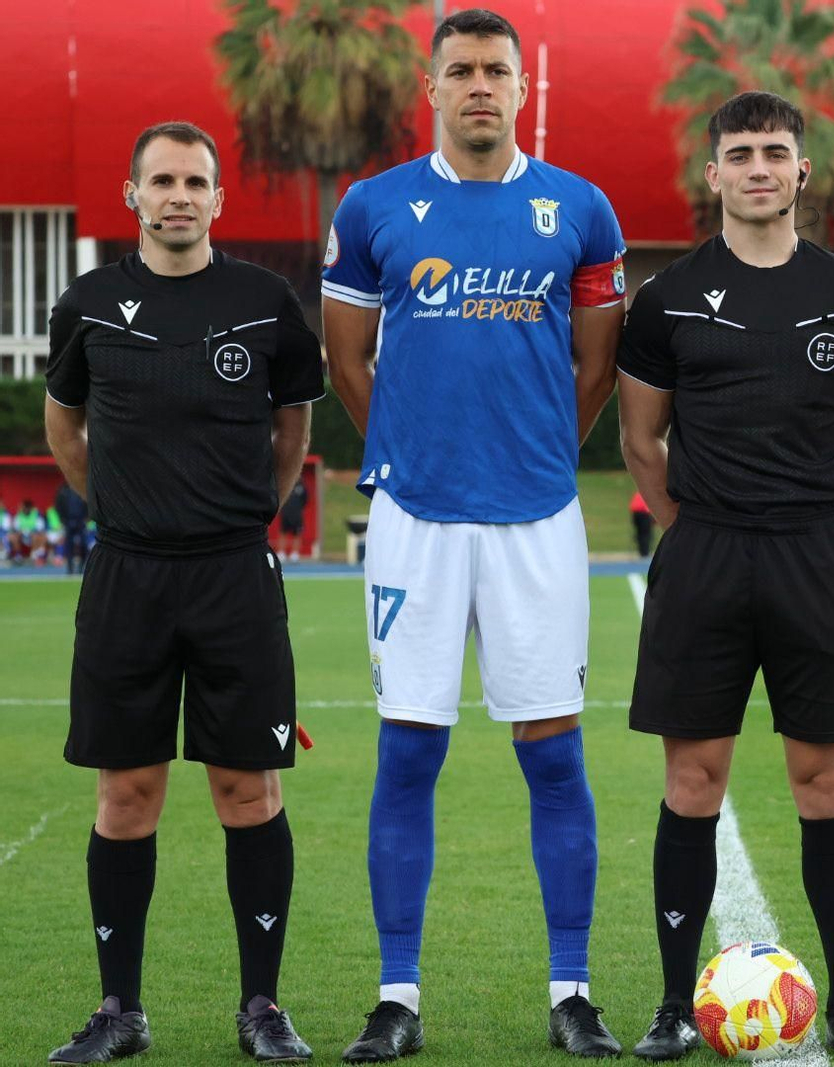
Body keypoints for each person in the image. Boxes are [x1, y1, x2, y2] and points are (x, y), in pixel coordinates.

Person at [321, 8, 626, 1060]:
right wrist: (414, 450)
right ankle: (396, 996)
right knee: (408, 750)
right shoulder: (374, 205)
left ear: (523, 86)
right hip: (413, 520)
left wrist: (532, 450)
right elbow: (347, 360)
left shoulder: (579, 208)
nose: (481, 85)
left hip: (537, 519)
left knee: (555, 755)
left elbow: (596, 365)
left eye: (498, 69)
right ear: (433, 87)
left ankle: (572, 989)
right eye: (462, 70)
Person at [618, 90, 834, 1061]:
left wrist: (823, 532)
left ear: (800, 171)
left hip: (810, 555)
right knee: (692, 778)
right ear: (713, 174)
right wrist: (695, 530)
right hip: (703, 554)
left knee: (823, 778)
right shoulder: (665, 299)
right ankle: (672, 1004)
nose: (757, 168)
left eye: (774, 153)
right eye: (739, 154)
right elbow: (641, 439)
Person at [41, 120, 324, 1064]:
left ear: (217, 198)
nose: (178, 196)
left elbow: (291, 432)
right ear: (132, 194)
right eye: (161, 181)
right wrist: (121, 511)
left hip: (235, 575)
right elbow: (66, 427)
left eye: (195, 182)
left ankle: (263, 1007)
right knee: (127, 792)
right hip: (126, 577)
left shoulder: (265, 302)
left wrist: (244, 514)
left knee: (248, 788)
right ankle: (118, 1009)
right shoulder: (86, 304)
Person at [56, 481, 90, 574]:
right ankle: (70, 568)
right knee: (69, 546)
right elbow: (58, 505)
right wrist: (63, 519)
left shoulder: (82, 489)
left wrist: (87, 517)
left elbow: (88, 502)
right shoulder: (63, 491)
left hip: (81, 522)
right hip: (68, 521)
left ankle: (81, 567)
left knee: (83, 545)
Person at [276, 478, 308, 561]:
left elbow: (305, 500)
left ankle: (295, 554)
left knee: (297, 534)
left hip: (297, 515)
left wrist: (298, 510)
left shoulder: (301, 487)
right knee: (283, 533)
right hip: (285, 513)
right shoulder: (285, 485)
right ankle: (281, 552)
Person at [629, 490, 654, 557]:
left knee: (640, 532)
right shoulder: (649, 493)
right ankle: (645, 552)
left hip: (635, 513)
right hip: (644, 513)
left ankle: (641, 551)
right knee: (645, 533)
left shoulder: (639, 493)